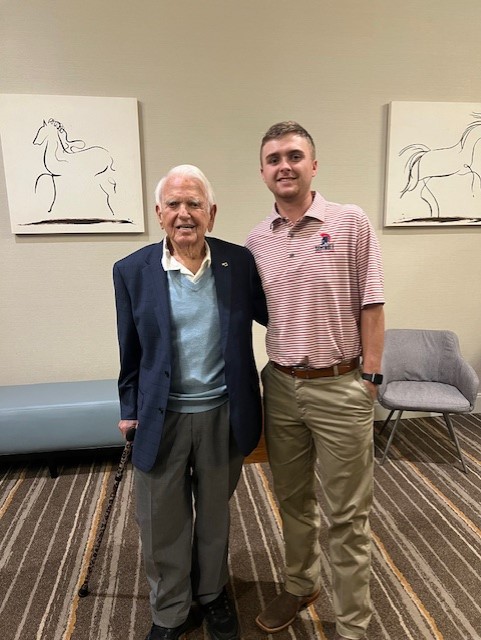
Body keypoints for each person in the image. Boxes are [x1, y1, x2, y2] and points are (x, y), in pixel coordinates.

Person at [113, 164, 268, 640]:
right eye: (174, 205)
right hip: (163, 416)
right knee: (162, 521)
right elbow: (130, 349)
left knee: (215, 516)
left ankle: (212, 593)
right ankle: (170, 611)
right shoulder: (131, 271)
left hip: (223, 412)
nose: (185, 214)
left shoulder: (238, 264)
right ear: (159, 214)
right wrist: (129, 408)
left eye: (194, 204)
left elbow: (278, 316)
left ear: (212, 213)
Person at [245, 122, 385, 640]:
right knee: (292, 499)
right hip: (280, 386)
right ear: (263, 172)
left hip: (340, 385)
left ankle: (352, 624)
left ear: (313, 165)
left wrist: (370, 376)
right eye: (274, 158)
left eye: (295, 156)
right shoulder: (257, 240)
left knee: (348, 516)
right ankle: (300, 583)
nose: (285, 165)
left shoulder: (350, 222)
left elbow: (372, 301)